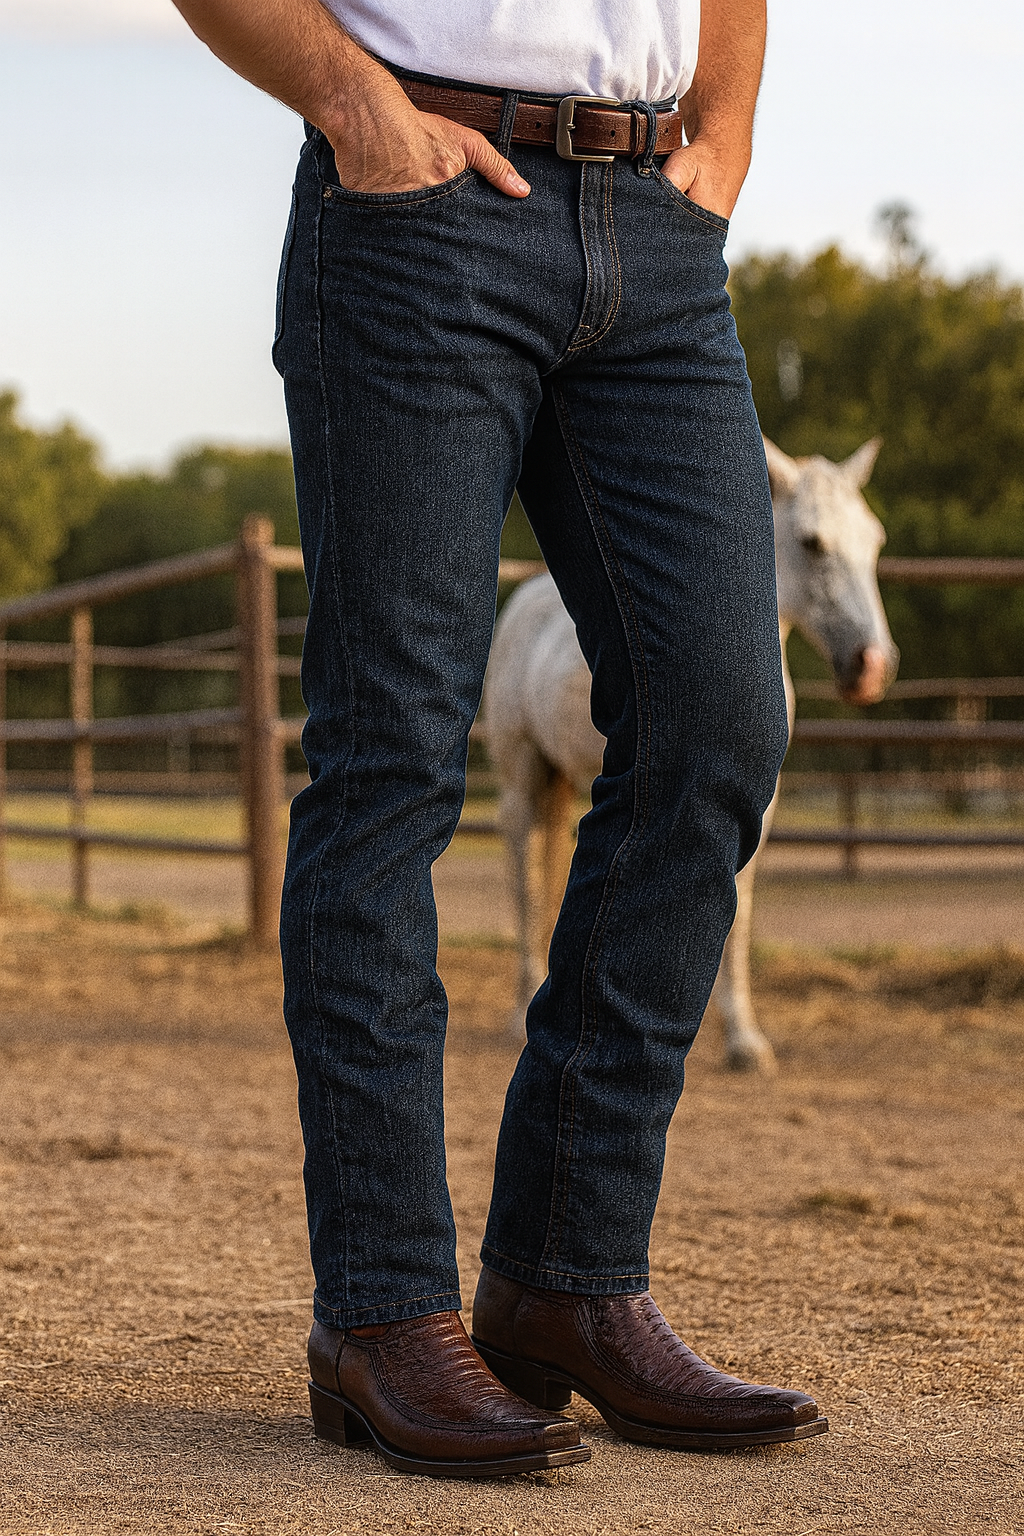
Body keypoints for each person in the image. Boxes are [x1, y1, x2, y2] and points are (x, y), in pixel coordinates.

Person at [172, 0, 829, 1479]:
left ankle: (566, 1280)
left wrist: (720, 142)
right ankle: (384, 1315)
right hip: (417, 206)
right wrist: (357, 108)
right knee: (392, 760)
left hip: (657, 233)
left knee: (721, 723)